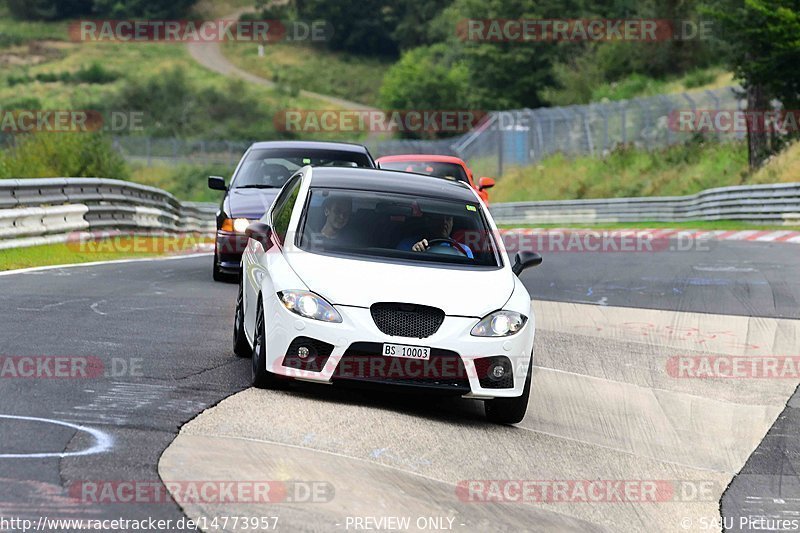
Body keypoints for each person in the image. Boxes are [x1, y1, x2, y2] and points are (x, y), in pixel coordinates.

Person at [397, 213, 473, 258]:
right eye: (439, 218)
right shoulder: (406, 245)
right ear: (429, 221)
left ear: (453, 223)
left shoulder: (464, 251)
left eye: (448, 219)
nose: (444, 223)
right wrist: (414, 254)